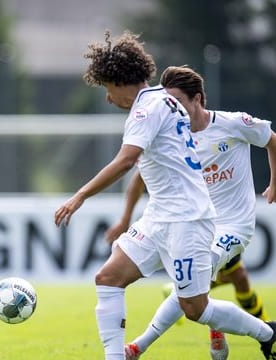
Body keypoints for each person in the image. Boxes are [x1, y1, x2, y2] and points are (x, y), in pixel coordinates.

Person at [53, 31, 276, 360]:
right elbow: (146, 168)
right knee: (108, 277)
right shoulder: (166, 99)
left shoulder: (147, 109)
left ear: (118, 81)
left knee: (195, 308)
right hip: (160, 216)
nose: (107, 98)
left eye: (106, 88)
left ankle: (268, 334)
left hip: (187, 220)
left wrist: (80, 195)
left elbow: (127, 160)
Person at [105, 65, 276, 359]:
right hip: (193, 222)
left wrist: (274, 183)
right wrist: (125, 218)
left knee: (195, 288)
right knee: (193, 293)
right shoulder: (172, 134)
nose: (173, 108)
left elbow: (272, 139)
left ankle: (137, 347)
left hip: (232, 226)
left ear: (198, 99)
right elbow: (139, 179)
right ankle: (240, 330)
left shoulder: (233, 124)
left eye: (178, 102)